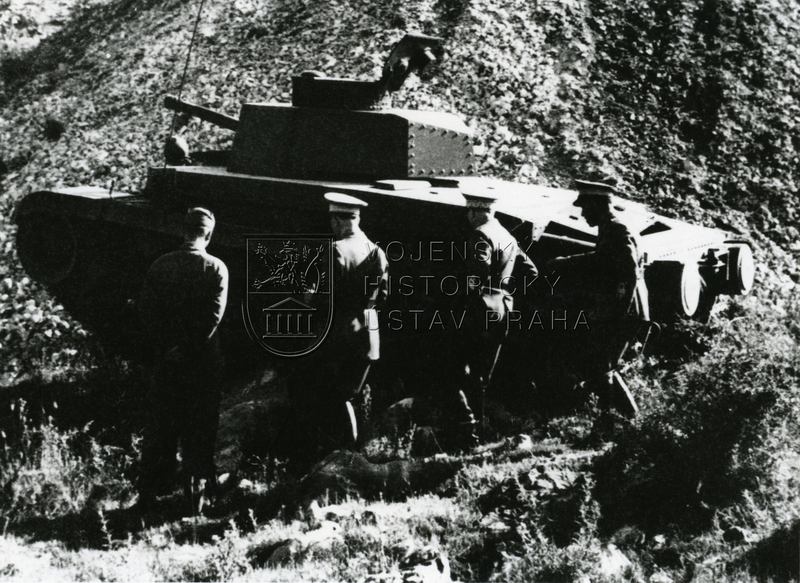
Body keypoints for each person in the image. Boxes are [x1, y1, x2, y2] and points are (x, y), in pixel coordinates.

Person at [136, 207, 229, 512]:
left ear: (182, 231)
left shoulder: (160, 265)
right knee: (199, 427)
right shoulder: (216, 268)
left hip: (167, 361)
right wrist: (188, 348)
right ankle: (194, 501)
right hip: (201, 363)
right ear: (209, 234)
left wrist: (168, 348)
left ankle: (148, 496)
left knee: (161, 426)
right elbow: (212, 318)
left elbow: (147, 314)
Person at [547, 179, 648, 417]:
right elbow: (603, 257)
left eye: (585, 207)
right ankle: (621, 422)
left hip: (624, 308)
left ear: (597, 205)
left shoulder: (616, 229)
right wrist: (567, 263)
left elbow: (628, 272)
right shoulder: (612, 227)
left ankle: (618, 422)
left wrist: (616, 310)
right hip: (623, 307)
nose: (582, 214)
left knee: (600, 366)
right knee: (601, 366)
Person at [298, 192, 389, 454]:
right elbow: (382, 297)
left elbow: (321, 301)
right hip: (367, 336)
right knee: (352, 396)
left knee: (332, 399)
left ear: (338, 221)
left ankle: (344, 455)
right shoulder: (377, 251)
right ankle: (358, 449)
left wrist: (308, 298)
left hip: (338, 336)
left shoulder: (335, 251)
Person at [453, 187, 539, 445]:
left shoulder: (480, 236)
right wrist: (504, 291)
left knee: (459, 370)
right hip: (503, 309)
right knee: (482, 375)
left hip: (480, 309)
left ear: (475, 211)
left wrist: (469, 295)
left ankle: (468, 431)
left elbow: (476, 272)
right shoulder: (507, 236)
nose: (468, 217)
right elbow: (531, 271)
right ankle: (478, 431)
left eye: (470, 211)